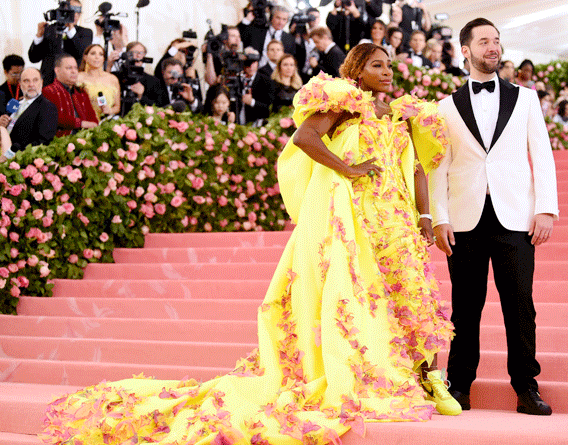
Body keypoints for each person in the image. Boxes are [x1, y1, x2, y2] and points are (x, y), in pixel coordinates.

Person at [42, 42, 460, 445]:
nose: (387, 72)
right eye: (377, 66)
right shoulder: (342, 102)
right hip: (356, 220)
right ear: (355, 72)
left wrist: (425, 215)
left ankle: (433, 381)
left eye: (389, 65)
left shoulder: (405, 112)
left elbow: (419, 169)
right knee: (361, 297)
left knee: (415, 296)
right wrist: (347, 168)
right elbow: (304, 139)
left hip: (398, 219)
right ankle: (369, 375)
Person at [429, 17, 559, 416]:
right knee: (465, 307)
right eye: (484, 41)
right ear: (465, 50)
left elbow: (542, 155)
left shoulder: (526, 99)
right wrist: (439, 218)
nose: (493, 47)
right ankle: (459, 387)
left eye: (497, 41)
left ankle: (527, 388)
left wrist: (545, 208)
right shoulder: (444, 107)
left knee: (520, 305)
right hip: (464, 221)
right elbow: (439, 165)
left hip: (515, 217)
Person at [0, 67, 57, 161]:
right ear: (20, 84)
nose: (31, 85)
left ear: (41, 82)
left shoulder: (47, 107)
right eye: (26, 81)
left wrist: (12, 153)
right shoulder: (15, 103)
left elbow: (43, 142)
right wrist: (1, 124)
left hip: (19, 160)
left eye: (35, 80)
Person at [28, 0, 93, 86]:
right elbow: (34, 58)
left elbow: (82, 53)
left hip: (72, 83)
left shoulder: (85, 32)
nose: (75, 15)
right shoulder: (49, 30)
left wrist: (71, 30)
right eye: (72, 11)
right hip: (48, 83)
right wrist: (39, 36)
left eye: (78, 12)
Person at [42, 53, 98, 137]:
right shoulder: (48, 91)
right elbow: (54, 118)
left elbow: (92, 118)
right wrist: (80, 123)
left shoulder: (81, 92)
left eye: (75, 68)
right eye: (69, 68)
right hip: (59, 141)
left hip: (85, 139)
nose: (74, 71)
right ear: (57, 70)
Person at [116, 41, 165, 115]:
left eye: (141, 53)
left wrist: (141, 96)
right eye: (134, 52)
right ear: (126, 54)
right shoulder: (117, 77)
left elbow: (159, 107)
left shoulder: (153, 81)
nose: (138, 56)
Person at [77, 44, 121, 118]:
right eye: (93, 53)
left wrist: (110, 110)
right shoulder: (78, 77)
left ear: (103, 59)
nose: (97, 57)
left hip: (105, 123)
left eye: (100, 54)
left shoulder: (112, 79)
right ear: (85, 57)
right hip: (83, 122)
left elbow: (117, 107)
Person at [236, 56, 273, 125]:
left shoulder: (266, 81)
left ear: (257, 63)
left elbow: (269, 108)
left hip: (256, 123)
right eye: (248, 63)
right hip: (237, 121)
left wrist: (252, 102)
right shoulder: (237, 80)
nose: (251, 66)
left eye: (253, 63)